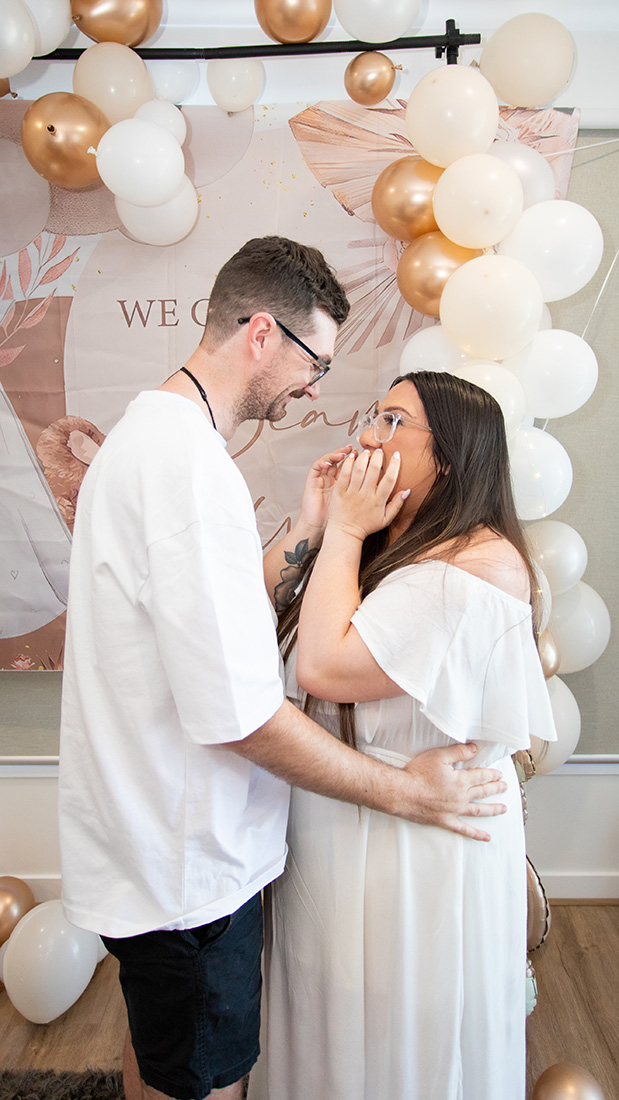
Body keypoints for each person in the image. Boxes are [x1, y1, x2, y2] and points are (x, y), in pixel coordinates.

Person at [58, 239, 508, 1100]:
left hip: (161, 844)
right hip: (186, 861)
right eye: (315, 362)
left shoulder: (160, 438)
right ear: (262, 333)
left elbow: (213, 613)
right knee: (199, 1078)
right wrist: (406, 792)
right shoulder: (187, 469)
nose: (315, 389)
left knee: (161, 1051)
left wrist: (307, 522)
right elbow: (243, 714)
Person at [250, 370, 557, 1100]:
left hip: (412, 846)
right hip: (342, 815)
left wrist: (349, 531)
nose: (366, 436)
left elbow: (324, 664)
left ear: (446, 456)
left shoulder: (478, 563)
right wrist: (317, 523)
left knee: (395, 1039)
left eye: (390, 422)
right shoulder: (393, 546)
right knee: (328, 1018)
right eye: (372, 417)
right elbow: (249, 607)